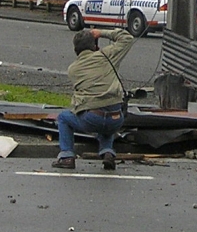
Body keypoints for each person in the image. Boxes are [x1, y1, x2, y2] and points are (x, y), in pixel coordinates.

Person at [52, 28, 135, 170]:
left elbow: (77, 104)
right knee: (107, 122)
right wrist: (101, 33)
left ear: (76, 49)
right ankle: (107, 152)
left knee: (63, 118)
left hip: (92, 119)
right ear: (95, 46)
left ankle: (67, 157)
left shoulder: (73, 69)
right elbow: (127, 38)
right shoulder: (107, 56)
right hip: (116, 119)